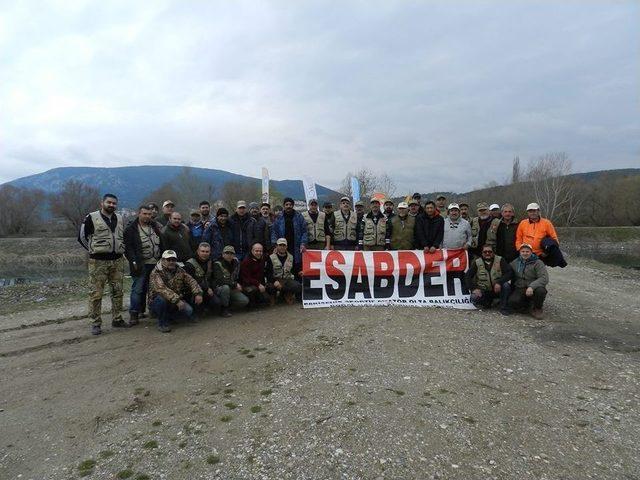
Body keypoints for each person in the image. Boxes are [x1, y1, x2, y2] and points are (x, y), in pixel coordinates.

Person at [78, 193, 128, 335]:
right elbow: (82, 237)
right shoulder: (91, 217)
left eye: (114, 203)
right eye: (109, 202)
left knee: (118, 291)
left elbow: (121, 236)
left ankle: (117, 319)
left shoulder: (119, 218)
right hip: (98, 262)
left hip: (117, 261)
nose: (112, 205)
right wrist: (93, 250)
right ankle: (96, 323)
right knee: (96, 293)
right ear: (102, 203)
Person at [124, 204, 163, 325]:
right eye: (144, 214)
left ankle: (153, 310)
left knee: (154, 289)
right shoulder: (131, 229)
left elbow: (161, 242)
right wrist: (133, 261)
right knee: (138, 289)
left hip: (155, 263)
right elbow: (128, 248)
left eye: (149, 214)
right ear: (139, 213)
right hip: (140, 264)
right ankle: (134, 314)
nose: (147, 216)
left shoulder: (155, 227)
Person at [148, 250, 203, 333]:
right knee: (161, 299)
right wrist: (177, 300)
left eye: (173, 260)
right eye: (168, 260)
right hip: (158, 301)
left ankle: (170, 316)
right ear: (163, 260)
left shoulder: (180, 270)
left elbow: (191, 280)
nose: (171, 262)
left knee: (189, 311)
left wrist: (198, 293)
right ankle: (162, 323)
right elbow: (161, 289)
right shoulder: (156, 272)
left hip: (173, 300)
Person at [465, 244, 513, 315]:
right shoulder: (477, 262)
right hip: (484, 290)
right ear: (482, 253)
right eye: (485, 252)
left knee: (506, 285)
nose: (487, 253)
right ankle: (488, 303)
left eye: (490, 252)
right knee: (474, 297)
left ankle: (504, 307)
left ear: (493, 252)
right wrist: (473, 288)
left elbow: (509, 273)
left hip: (498, 289)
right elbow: (467, 276)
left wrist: (499, 282)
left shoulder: (500, 260)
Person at [515, 203, 566, 267]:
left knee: (540, 273)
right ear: (527, 212)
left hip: (540, 255)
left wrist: (546, 252)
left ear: (538, 211)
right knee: (526, 273)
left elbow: (554, 239)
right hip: (526, 254)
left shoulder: (547, 223)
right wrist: (520, 250)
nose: (532, 213)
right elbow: (518, 239)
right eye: (530, 211)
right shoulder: (523, 223)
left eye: (534, 211)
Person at [508, 243, 549, 319]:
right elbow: (507, 271)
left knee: (541, 291)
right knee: (513, 302)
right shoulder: (515, 262)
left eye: (527, 251)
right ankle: (528, 304)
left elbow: (544, 278)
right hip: (521, 287)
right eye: (523, 251)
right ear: (520, 252)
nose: (525, 253)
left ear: (531, 252)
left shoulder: (538, 263)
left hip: (534, 287)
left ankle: (537, 308)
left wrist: (531, 287)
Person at [271, 197, 308, 270]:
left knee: (296, 265)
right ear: (284, 206)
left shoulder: (299, 216)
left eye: (290, 204)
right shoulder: (279, 217)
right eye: (286, 204)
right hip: (282, 245)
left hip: (296, 246)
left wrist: (303, 243)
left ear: (293, 205)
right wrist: (275, 244)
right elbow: (274, 231)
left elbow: (304, 231)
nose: (288, 206)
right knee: (283, 265)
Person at [211, 245, 249, 316]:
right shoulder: (217, 264)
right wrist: (235, 284)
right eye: (227, 253)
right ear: (223, 254)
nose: (229, 255)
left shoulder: (236, 263)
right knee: (225, 288)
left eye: (231, 253)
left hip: (232, 288)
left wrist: (240, 285)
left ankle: (228, 306)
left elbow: (239, 276)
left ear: (234, 255)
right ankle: (224, 309)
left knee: (244, 301)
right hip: (219, 288)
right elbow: (220, 280)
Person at [184, 242, 219, 316]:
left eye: (207, 252)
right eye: (202, 251)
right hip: (193, 290)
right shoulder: (190, 264)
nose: (205, 253)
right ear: (198, 251)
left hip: (207, 288)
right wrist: (206, 288)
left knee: (216, 302)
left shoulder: (210, 262)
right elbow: (190, 282)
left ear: (210, 252)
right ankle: (194, 313)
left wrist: (211, 287)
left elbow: (213, 277)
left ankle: (205, 308)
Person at [265, 238, 302, 304]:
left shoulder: (291, 257)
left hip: (286, 280)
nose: (282, 247)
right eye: (280, 245)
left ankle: (286, 294)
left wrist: (299, 271)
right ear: (276, 246)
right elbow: (268, 273)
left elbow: (294, 269)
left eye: (284, 245)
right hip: (274, 279)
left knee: (297, 286)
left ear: (286, 247)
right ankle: (273, 296)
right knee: (270, 287)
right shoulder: (270, 257)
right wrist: (274, 281)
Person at [239, 242, 270, 307]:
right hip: (247, 285)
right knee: (253, 290)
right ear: (252, 251)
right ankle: (250, 303)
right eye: (256, 251)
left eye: (260, 251)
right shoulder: (246, 262)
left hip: (259, 284)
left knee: (266, 299)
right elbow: (247, 278)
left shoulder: (262, 259)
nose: (259, 253)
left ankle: (257, 301)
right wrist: (258, 284)